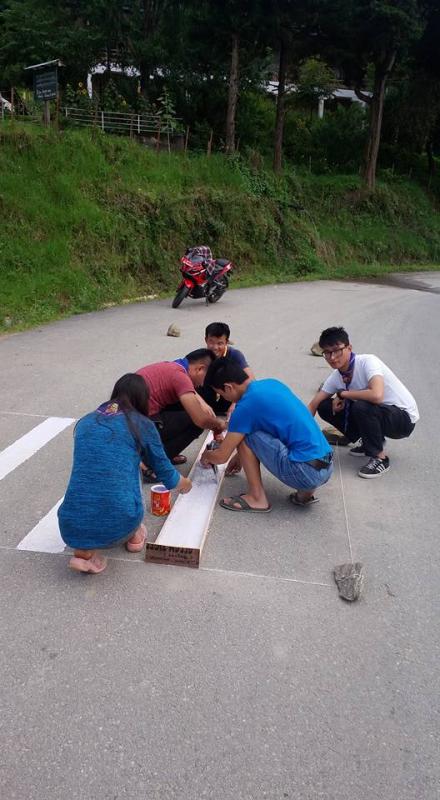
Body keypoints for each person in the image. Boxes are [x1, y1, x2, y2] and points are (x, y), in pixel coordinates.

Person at [58, 374, 192, 575]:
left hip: (69, 524)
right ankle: (135, 536)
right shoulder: (141, 424)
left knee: (96, 475)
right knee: (131, 477)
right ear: (142, 399)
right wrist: (186, 484)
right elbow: (167, 474)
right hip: (120, 522)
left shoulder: (86, 422)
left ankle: (83, 553)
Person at [200, 360, 333, 511]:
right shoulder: (272, 384)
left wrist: (206, 455)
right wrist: (240, 457)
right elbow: (274, 428)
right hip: (326, 467)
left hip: (304, 473)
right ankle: (305, 494)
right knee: (289, 437)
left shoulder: (244, 407)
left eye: (221, 394)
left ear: (228, 387)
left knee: (246, 434)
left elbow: (221, 457)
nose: (223, 398)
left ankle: (257, 498)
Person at [308, 327, 419, 478]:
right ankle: (367, 442)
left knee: (362, 406)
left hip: (403, 419)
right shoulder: (337, 376)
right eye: (327, 352)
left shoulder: (368, 362)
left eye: (337, 350)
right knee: (325, 406)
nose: (332, 357)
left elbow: (377, 395)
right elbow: (314, 404)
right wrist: (300, 437)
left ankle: (380, 458)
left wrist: (343, 394)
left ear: (349, 348)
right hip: (380, 413)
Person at [136, 349, 226, 479]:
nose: (202, 384)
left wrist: (203, 404)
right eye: (206, 379)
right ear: (200, 369)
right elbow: (200, 419)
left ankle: (158, 453)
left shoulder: (174, 366)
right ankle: (152, 463)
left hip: (130, 422)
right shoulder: (180, 378)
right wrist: (218, 424)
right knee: (195, 422)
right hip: (136, 428)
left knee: (187, 406)